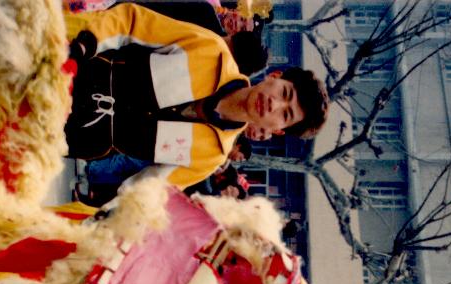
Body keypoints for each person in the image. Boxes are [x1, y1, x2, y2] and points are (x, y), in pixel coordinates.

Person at [63, 3, 329, 191]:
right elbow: (133, 22)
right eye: (285, 93)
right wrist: (85, 46)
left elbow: (145, 192)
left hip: (68, 138)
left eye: (285, 114)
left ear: (278, 131)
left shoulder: (212, 156)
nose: (275, 104)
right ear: (275, 77)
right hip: (70, 70)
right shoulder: (212, 50)